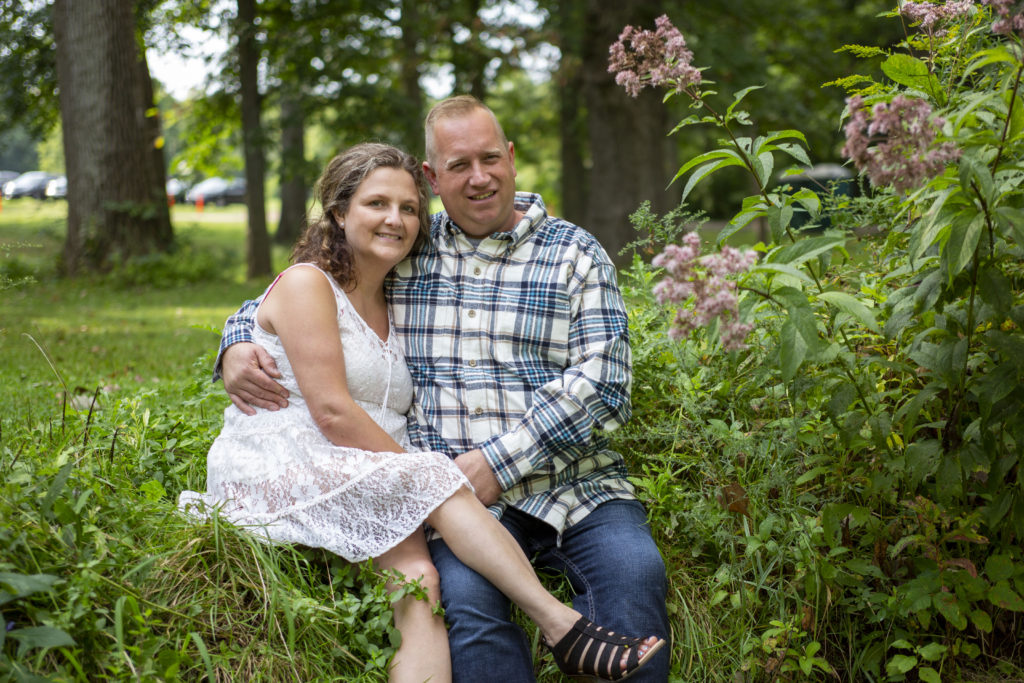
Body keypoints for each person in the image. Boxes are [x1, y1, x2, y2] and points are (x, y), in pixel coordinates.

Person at [219, 97, 672, 682]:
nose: (479, 177)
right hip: (463, 502)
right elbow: (292, 299)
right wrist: (233, 343)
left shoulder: (574, 253)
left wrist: (497, 463)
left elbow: (605, 385)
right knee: (468, 606)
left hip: (576, 487)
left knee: (635, 578)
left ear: (510, 158)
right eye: (459, 165)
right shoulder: (410, 249)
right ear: (434, 179)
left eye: (490, 159)